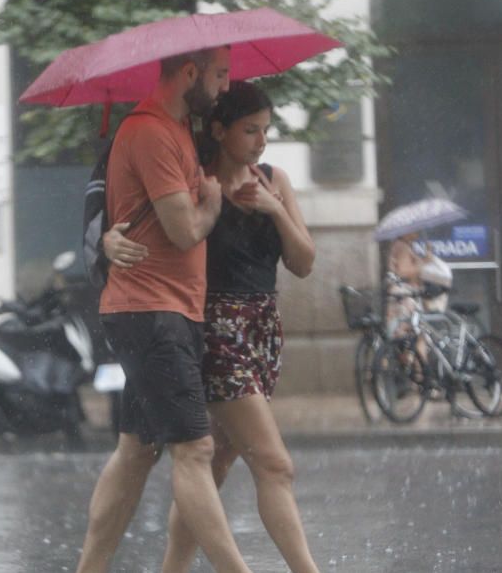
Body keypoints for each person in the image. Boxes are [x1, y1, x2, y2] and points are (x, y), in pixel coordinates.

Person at [105, 81, 319, 572]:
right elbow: (147, 219)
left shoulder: (273, 180)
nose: (261, 141)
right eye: (250, 130)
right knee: (274, 463)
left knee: (215, 465)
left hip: (262, 332)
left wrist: (276, 209)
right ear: (220, 131)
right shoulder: (196, 181)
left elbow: (304, 262)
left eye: (266, 130)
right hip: (216, 331)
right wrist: (106, 240)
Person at [75, 46, 253, 573]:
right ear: (190, 73)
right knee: (195, 449)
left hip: (166, 310)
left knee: (136, 452)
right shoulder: (151, 131)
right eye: (220, 75)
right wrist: (212, 206)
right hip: (151, 312)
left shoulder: (177, 130)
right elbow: (184, 230)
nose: (224, 87)